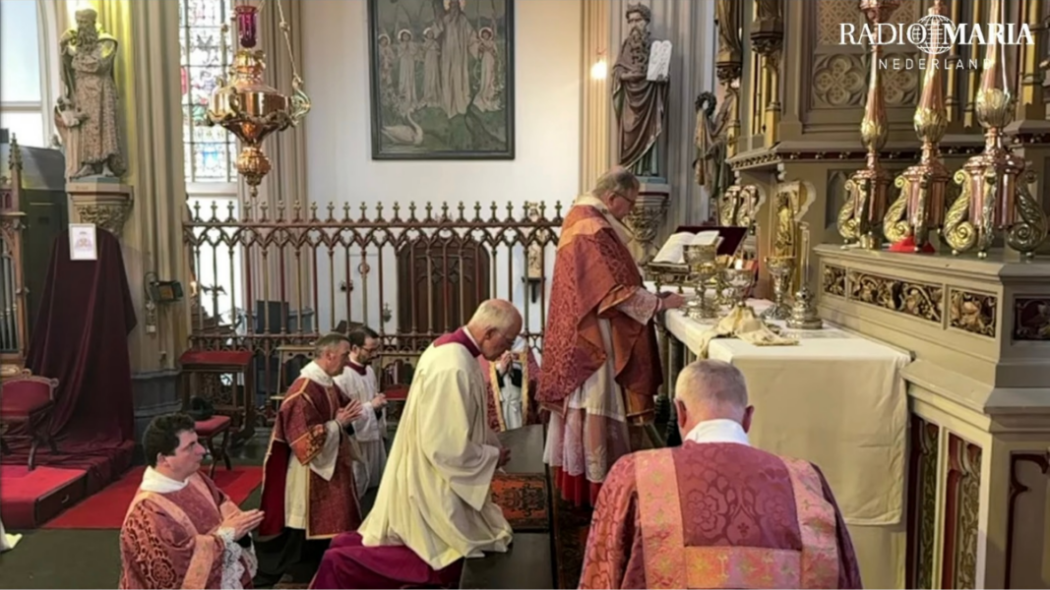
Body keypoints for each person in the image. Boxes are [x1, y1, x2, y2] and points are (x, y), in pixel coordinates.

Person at [578, 360, 863, 589]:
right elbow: (845, 577)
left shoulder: (636, 474)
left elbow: (603, 572)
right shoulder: (807, 480)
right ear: (748, 417)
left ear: (680, 412)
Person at [311, 300, 520, 589]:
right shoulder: (453, 366)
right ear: (489, 333)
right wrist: (491, 456)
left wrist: (490, 444)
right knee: (446, 552)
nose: (508, 349)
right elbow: (445, 447)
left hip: (425, 466)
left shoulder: (454, 353)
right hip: (433, 478)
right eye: (508, 340)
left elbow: (465, 421)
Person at [539, 166, 685, 507]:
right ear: (611, 197)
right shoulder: (592, 226)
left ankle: (589, 479)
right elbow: (609, 291)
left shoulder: (584, 218)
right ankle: (599, 485)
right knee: (597, 396)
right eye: (629, 203)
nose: (630, 211)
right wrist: (659, 303)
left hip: (590, 326)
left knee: (592, 401)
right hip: (596, 334)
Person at [255, 334, 365, 585]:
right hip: (310, 469)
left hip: (330, 462)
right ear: (328, 355)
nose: (347, 361)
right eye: (344, 355)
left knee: (336, 517)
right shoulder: (303, 389)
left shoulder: (326, 381)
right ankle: (286, 571)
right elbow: (303, 441)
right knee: (302, 526)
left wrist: (346, 419)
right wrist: (338, 424)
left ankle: (328, 566)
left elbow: (346, 410)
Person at [118, 413, 263, 589]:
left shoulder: (194, 477)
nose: (202, 450)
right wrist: (226, 535)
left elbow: (222, 503)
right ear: (163, 459)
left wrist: (238, 523)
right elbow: (173, 574)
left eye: (198, 442)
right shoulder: (147, 514)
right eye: (190, 446)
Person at [334, 326, 388, 500]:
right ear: (355, 348)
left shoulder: (369, 371)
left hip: (372, 438)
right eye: (370, 350)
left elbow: (372, 399)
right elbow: (341, 414)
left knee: (375, 487)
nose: (374, 354)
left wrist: (378, 403)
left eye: (376, 349)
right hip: (355, 442)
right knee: (356, 488)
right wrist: (371, 406)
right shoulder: (341, 375)